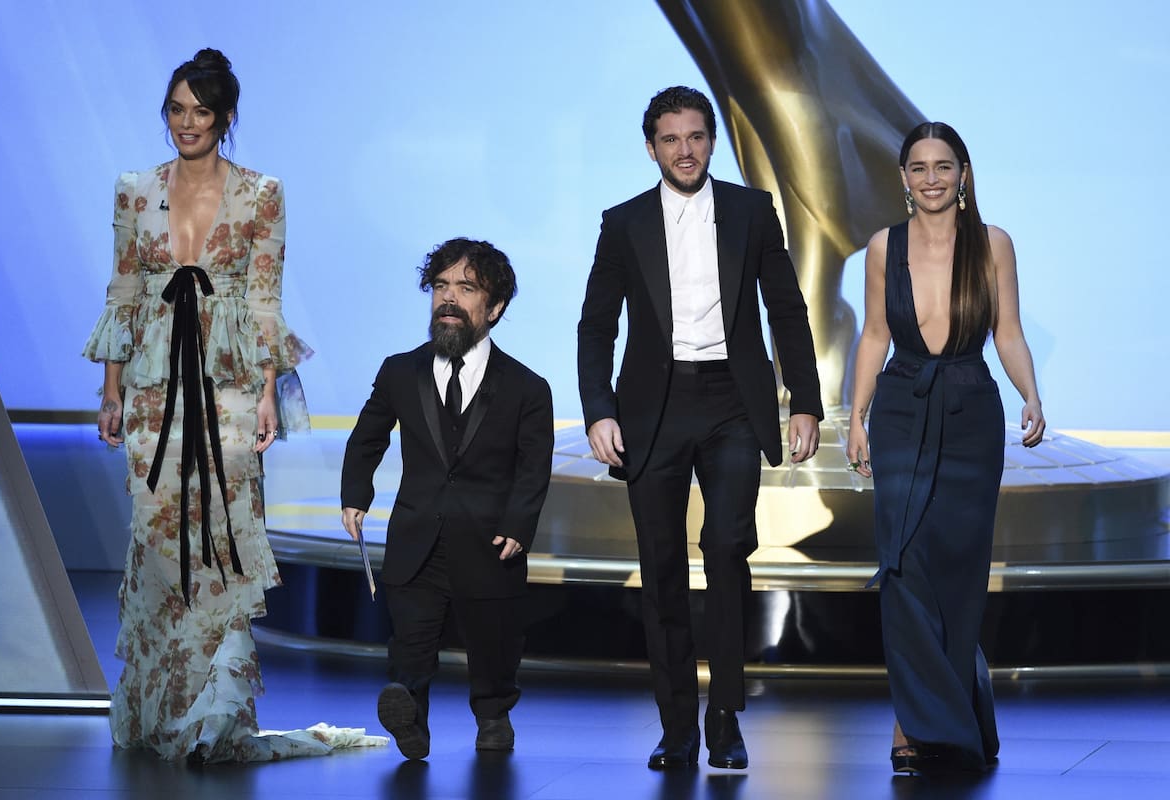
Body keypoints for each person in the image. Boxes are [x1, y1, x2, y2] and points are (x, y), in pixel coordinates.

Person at [84, 48, 381, 762]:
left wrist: (271, 393)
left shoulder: (260, 194)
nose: (187, 123)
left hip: (228, 385)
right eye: (177, 110)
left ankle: (214, 715)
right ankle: (162, 708)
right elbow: (125, 293)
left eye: (201, 112)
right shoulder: (134, 190)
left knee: (223, 537)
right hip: (155, 388)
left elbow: (263, 300)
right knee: (158, 540)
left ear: (225, 118)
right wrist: (111, 392)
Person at [577, 86, 823, 770]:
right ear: (652, 147)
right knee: (660, 570)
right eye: (670, 139)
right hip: (650, 407)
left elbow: (787, 308)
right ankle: (677, 725)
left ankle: (726, 717)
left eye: (696, 136)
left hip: (732, 404)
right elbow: (597, 324)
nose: (685, 150)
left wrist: (804, 398)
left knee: (725, 547)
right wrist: (599, 408)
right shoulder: (623, 223)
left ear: (711, 141)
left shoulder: (752, 209)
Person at [845, 122, 1045, 773]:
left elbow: (1008, 331)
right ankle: (912, 724)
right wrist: (857, 416)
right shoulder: (883, 246)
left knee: (958, 577)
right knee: (902, 566)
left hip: (969, 413)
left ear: (963, 173)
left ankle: (954, 718)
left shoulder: (992, 244)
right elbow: (874, 334)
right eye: (919, 167)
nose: (931, 178)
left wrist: (1032, 396)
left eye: (943, 166)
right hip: (902, 409)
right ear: (903, 178)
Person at [341, 238, 554, 761]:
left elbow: (533, 466)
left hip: (490, 539)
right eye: (440, 286)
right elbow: (368, 436)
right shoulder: (399, 370)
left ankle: (493, 716)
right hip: (417, 534)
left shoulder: (528, 387)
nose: (448, 299)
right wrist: (355, 495)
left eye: (466, 287)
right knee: (411, 643)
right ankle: (410, 718)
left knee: (493, 644)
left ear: (495, 307)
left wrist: (520, 523)